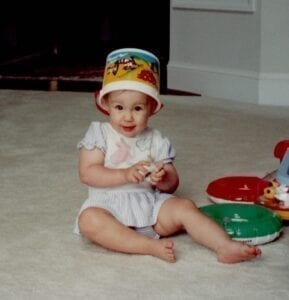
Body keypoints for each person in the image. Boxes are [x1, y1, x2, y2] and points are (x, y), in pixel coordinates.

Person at [73, 48, 261, 263]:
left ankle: (224, 246)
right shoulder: (99, 133)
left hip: (151, 208)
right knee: (88, 221)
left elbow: (172, 183)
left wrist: (162, 178)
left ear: (152, 108)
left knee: (185, 207)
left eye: (137, 108)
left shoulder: (157, 139)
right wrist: (125, 174)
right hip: (108, 207)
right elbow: (88, 173)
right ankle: (149, 246)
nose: (127, 117)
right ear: (106, 105)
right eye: (119, 107)